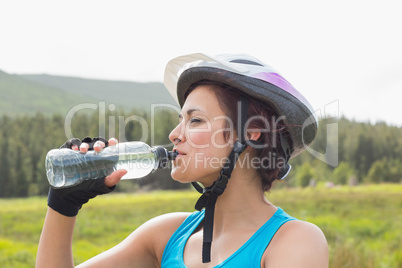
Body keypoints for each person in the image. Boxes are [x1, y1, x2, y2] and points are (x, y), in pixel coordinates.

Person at [36, 53, 328, 267]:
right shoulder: (164, 235)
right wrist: (63, 205)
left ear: (253, 133)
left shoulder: (294, 241)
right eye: (180, 120)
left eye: (196, 120)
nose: (174, 135)